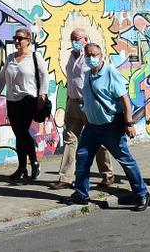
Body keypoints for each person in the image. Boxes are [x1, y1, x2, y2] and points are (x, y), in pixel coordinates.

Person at [64, 43, 150, 212]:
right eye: (88, 55)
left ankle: (141, 193)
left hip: (110, 126)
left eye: (94, 55)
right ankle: (81, 193)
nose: (91, 58)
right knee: (83, 158)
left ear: (101, 55)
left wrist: (129, 123)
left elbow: (124, 100)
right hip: (92, 127)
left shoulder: (110, 72)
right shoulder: (88, 74)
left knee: (125, 160)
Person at [49, 28, 114, 190]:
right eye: (72, 39)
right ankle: (65, 178)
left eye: (77, 39)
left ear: (86, 39)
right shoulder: (72, 57)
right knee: (70, 139)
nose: (74, 42)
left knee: (97, 139)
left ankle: (107, 174)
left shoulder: (91, 58)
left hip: (88, 104)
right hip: (72, 102)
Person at [0, 27, 49, 183]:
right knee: (19, 134)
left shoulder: (35, 57)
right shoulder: (10, 58)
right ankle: (25, 166)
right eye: (15, 38)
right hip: (12, 101)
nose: (17, 41)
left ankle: (30, 164)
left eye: (20, 38)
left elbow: (44, 76)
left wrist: (42, 95)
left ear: (28, 41)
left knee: (22, 132)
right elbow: (2, 77)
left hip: (28, 99)